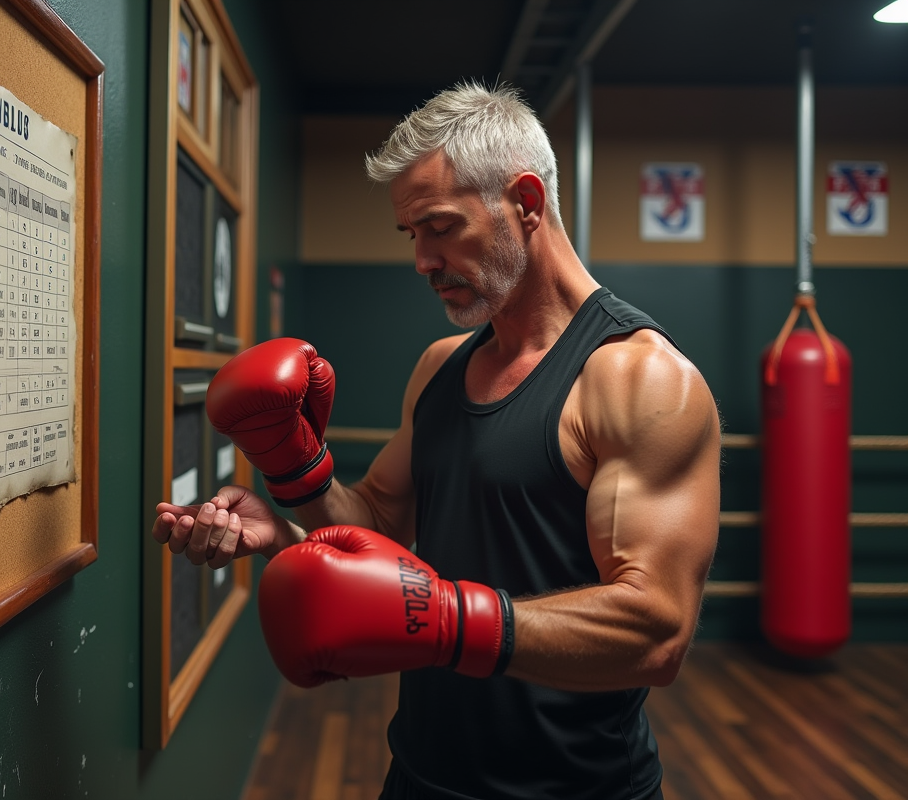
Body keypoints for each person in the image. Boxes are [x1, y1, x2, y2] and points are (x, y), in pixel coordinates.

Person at [151, 81, 720, 800]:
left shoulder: (641, 381)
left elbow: (656, 631)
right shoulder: (442, 368)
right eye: (411, 235)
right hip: (421, 774)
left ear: (527, 202)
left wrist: (450, 621)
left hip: (578, 788)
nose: (422, 259)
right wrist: (293, 485)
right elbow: (378, 524)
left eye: (441, 227)